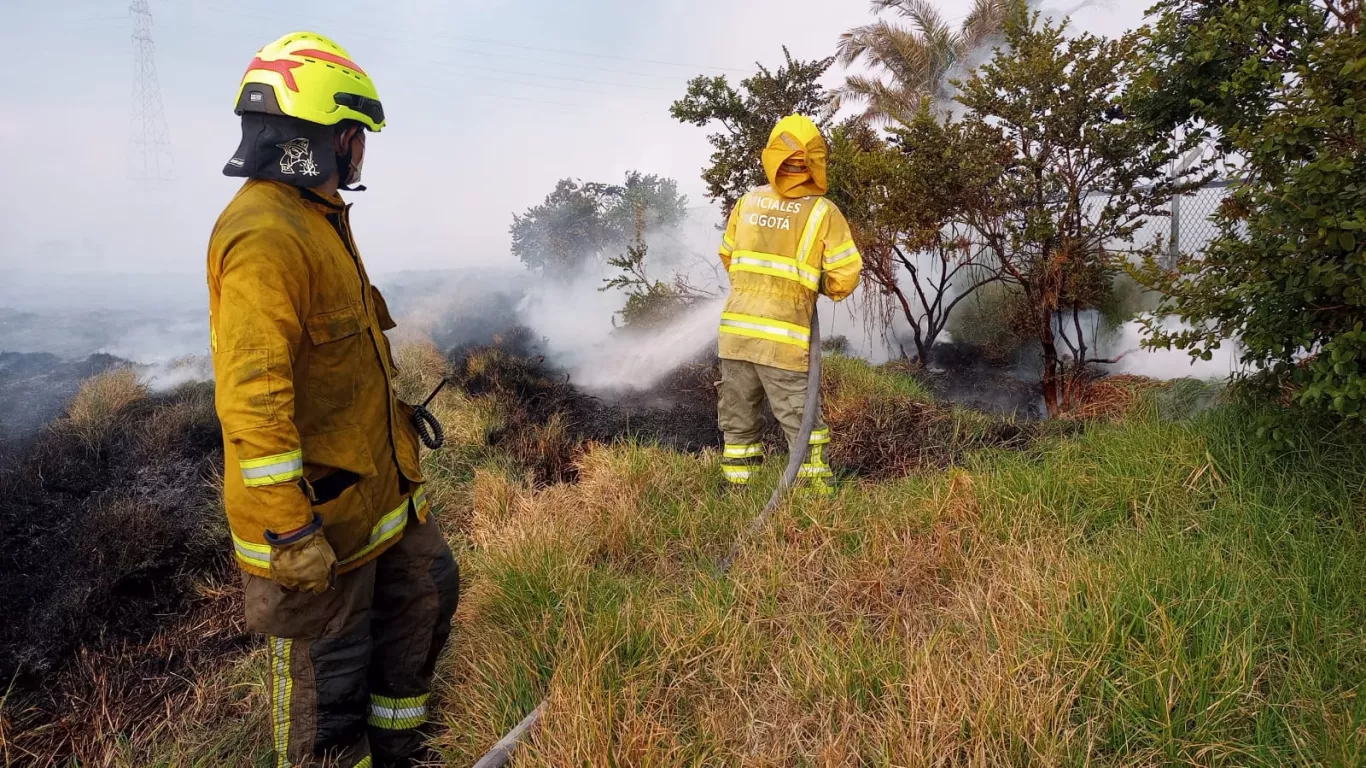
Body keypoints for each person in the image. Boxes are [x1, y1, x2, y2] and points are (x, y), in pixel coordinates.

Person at [206, 31, 458, 768]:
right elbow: (252, 399)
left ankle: (400, 751)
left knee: (426, 594)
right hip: (310, 523)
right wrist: (290, 532)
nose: (361, 152)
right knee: (325, 690)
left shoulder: (316, 220)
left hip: (375, 497)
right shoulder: (263, 235)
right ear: (324, 138)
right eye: (357, 137)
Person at [715, 114, 864, 495]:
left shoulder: (748, 202)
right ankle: (814, 500)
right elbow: (844, 277)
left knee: (738, 423)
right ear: (815, 160)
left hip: (736, 336)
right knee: (802, 425)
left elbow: (728, 256)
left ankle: (739, 492)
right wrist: (814, 287)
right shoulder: (822, 212)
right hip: (783, 341)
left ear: (773, 156)